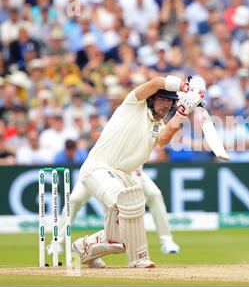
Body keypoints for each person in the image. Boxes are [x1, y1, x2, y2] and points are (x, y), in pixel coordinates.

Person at [70, 74, 206, 268]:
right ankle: (139, 259)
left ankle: (85, 247)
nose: (167, 105)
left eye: (171, 102)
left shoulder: (159, 124)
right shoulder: (133, 104)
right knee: (128, 203)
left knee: (117, 240)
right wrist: (187, 88)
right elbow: (157, 82)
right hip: (98, 168)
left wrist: (183, 111)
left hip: (122, 175)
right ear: (151, 99)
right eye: (163, 100)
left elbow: (165, 139)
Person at [49, 165, 180, 261]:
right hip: (97, 170)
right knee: (74, 199)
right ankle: (58, 242)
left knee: (154, 194)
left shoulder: (141, 132)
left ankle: (167, 241)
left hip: (127, 172)